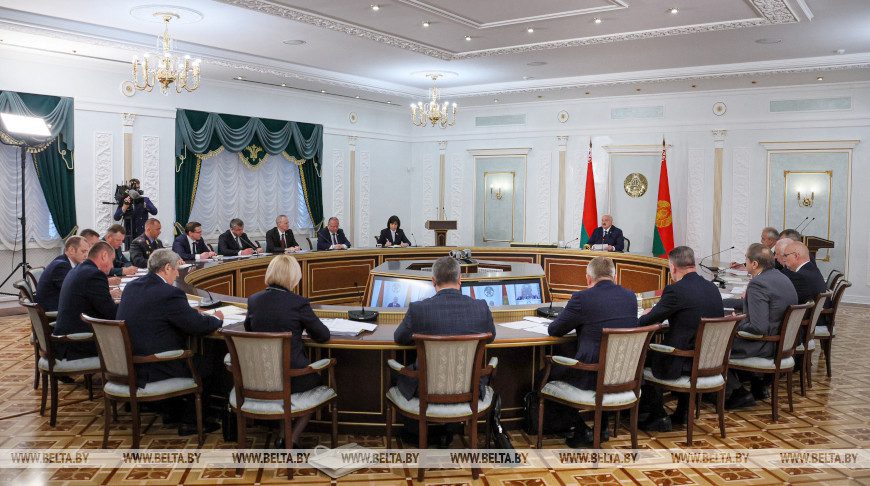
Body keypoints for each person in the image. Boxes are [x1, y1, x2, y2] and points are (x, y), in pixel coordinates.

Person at [117, 248, 224, 436]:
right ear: (167, 268)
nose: (177, 274)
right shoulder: (169, 293)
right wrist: (216, 318)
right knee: (206, 361)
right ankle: (191, 421)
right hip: (152, 366)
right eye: (176, 269)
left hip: (129, 363)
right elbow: (197, 326)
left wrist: (188, 313)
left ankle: (171, 411)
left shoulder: (132, 287)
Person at [394, 256, 495, 446]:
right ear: (460, 280)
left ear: (433, 281)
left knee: (398, 373)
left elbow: (399, 338)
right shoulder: (481, 307)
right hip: (471, 388)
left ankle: (417, 434)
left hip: (424, 389)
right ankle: (452, 431)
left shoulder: (418, 309)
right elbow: (491, 336)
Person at [547, 256, 638, 447]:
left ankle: (582, 430)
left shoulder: (582, 298)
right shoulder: (630, 297)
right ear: (614, 276)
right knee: (602, 360)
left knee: (546, 375)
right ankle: (601, 428)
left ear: (588, 278)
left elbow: (554, 330)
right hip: (624, 375)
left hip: (591, 376)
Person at [244, 254, 330, 447]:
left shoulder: (254, 300)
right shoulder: (298, 303)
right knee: (318, 379)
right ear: (293, 277)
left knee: (285, 381)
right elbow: (323, 335)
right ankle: (291, 439)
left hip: (260, 377)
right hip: (293, 377)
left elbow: (249, 329)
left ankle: (284, 434)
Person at [637, 246, 725, 432]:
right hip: (710, 361)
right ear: (693, 264)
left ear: (673, 267)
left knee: (641, 356)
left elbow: (646, 321)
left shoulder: (675, 291)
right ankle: (683, 411)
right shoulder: (712, 288)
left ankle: (657, 415)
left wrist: (648, 313)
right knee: (685, 341)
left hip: (684, 362)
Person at [725, 243, 798, 409]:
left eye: (746, 260)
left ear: (754, 264)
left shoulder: (758, 284)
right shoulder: (782, 277)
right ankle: (757, 385)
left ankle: (737, 393)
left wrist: (735, 323)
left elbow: (759, 328)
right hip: (783, 343)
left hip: (766, 345)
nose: (745, 263)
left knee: (713, 347)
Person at [53, 241, 120, 360]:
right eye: (112, 260)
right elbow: (111, 314)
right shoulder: (94, 275)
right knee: (128, 342)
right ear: (104, 255)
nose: (112, 266)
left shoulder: (79, 269)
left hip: (67, 339)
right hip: (78, 343)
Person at [35, 236, 90, 312]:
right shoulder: (61, 266)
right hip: (53, 310)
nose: (86, 255)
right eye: (83, 251)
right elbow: (73, 291)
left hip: (57, 305)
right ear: (71, 250)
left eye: (87, 252)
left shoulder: (63, 261)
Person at [113, 178, 158, 243]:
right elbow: (116, 217)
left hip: (142, 234)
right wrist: (124, 207)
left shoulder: (145, 200)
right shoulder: (126, 200)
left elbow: (155, 211)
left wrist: (144, 204)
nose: (136, 190)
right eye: (133, 188)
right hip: (129, 235)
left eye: (137, 188)